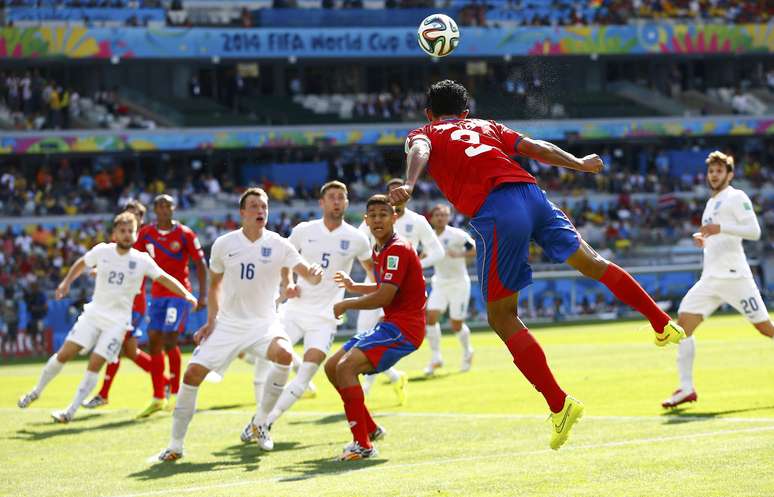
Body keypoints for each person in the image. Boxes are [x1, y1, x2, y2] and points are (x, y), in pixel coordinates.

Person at [391, 79, 685, 450]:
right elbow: (535, 147)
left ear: (429, 113)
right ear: (465, 113)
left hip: (497, 211)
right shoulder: (486, 125)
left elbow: (419, 148)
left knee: (501, 317)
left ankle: (559, 404)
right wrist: (578, 163)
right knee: (593, 262)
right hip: (533, 195)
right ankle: (661, 322)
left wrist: (409, 182)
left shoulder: (425, 131)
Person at [157, 188, 323, 461]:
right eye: (254, 206)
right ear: (242, 212)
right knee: (191, 375)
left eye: (264, 207)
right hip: (229, 324)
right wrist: (211, 322)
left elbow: (307, 273)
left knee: (283, 355)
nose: (260, 211)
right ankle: (175, 445)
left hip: (264, 324)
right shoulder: (224, 244)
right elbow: (214, 286)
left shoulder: (280, 244)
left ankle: (261, 422)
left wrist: (315, 275)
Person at [17, 212, 197, 423]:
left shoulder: (141, 260)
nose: (127, 235)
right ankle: (36, 391)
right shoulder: (102, 251)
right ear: (114, 234)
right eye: (123, 231)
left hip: (118, 323)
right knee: (64, 354)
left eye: (131, 231)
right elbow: (81, 263)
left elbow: (165, 278)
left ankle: (70, 411)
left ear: (136, 234)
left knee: (95, 364)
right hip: (93, 315)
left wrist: (186, 294)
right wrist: (66, 283)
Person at [250, 181, 371, 435]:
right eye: (332, 197)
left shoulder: (357, 238)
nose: (337, 201)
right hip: (294, 310)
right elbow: (285, 257)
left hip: (325, 318)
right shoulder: (304, 230)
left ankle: (265, 422)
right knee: (271, 358)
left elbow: (373, 274)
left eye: (341, 197)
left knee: (305, 374)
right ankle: (259, 417)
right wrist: (289, 283)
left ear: (347, 203)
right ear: (322, 203)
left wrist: (356, 291)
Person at [662, 151, 773, 408]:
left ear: (729, 174)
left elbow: (754, 232)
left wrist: (720, 229)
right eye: (711, 171)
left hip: (735, 278)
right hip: (711, 279)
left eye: (719, 171)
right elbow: (716, 236)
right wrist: (705, 239)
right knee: (682, 327)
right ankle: (686, 389)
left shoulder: (736, 197)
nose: (714, 175)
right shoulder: (711, 203)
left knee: (766, 329)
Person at [325, 195, 427, 460]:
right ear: (366, 220)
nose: (378, 219)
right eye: (374, 215)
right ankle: (371, 429)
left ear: (394, 218)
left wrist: (347, 304)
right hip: (391, 325)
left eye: (384, 214)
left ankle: (363, 445)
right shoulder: (381, 248)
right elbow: (387, 286)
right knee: (331, 367)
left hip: (405, 329)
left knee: (345, 368)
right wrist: (356, 286)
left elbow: (384, 297)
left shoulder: (398, 249)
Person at [357, 178, 444, 402]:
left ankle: (365, 388)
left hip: (403, 292)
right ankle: (394, 378)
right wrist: (369, 267)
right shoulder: (376, 220)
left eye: (400, 192)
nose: (396, 196)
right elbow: (357, 242)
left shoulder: (418, 221)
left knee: (375, 333)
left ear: (408, 196)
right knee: (363, 333)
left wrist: (413, 267)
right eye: (391, 193)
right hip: (379, 284)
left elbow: (438, 252)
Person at [136, 194, 207, 418]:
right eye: (160, 206)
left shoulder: (185, 234)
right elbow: (133, 259)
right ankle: (158, 397)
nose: (165, 209)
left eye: (168, 205)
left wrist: (203, 295)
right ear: (154, 210)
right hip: (156, 295)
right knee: (153, 340)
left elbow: (200, 264)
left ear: (174, 208)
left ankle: (176, 393)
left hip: (179, 294)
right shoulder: (146, 233)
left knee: (169, 338)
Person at [84, 200, 155, 408]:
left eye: (134, 215)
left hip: (134, 304)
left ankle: (103, 394)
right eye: (126, 214)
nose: (129, 219)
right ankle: (166, 380)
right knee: (131, 352)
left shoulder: (142, 245)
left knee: (112, 345)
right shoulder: (121, 243)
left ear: (141, 220)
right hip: (117, 304)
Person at [423, 203, 476, 376]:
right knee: (430, 317)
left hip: (459, 284)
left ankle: (468, 351)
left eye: (444, 215)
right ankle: (436, 356)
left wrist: (459, 254)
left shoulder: (457, 235)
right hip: (440, 282)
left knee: (456, 324)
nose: (440, 217)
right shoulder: (428, 238)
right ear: (431, 218)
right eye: (437, 215)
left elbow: (475, 249)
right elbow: (423, 256)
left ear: (449, 217)